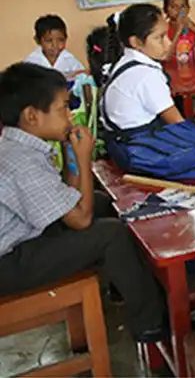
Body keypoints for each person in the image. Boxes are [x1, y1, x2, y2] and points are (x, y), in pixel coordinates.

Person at [0, 62, 167, 343]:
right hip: (8, 264)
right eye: (62, 108)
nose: (68, 115)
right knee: (109, 234)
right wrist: (84, 159)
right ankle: (150, 323)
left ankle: (124, 283)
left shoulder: (19, 146)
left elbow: (66, 195)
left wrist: (71, 159)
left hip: (21, 242)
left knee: (102, 202)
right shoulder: (21, 161)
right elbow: (80, 219)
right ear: (31, 116)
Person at [100, 4, 185, 132]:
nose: (168, 44)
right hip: (138, 145)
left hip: (123, 142)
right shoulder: (146, 75)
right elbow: (178, 123)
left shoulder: (125, 62)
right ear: (136, 42)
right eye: (160, 37)